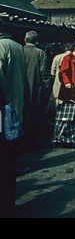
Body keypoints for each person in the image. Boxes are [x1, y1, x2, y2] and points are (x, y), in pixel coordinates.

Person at [0, 18, 26, 217]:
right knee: (10, 163)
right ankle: (8, 205)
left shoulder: (1, 47)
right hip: (15, 112)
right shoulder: (18, 47)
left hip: (3, 113)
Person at [23, 30, 53, 147]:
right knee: (35, 115)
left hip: (20, 89)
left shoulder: (19, 51)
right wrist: (47, 90)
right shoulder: (41, 53)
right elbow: (44, 74)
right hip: (36, 89)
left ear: (25, 40)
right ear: (36, 42)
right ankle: (32, 141)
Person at [48, 43, 71, 114]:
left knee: (57, 100)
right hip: (71, 85)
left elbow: (52, 71)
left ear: (66, 48)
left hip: (58, 83)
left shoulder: (57, 57)